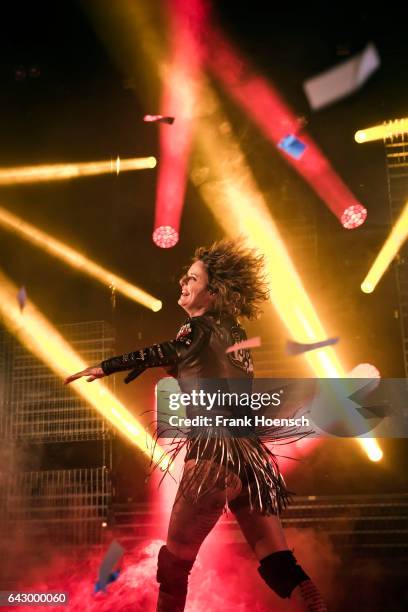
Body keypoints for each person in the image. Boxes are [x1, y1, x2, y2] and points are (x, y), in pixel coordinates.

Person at [65, 239, 327, 612]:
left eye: (191, 280)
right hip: (251, 464)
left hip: (212, 458)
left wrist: (105, 366)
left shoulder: (197, 329)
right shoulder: (234, 334)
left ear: (213, 292)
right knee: (280, 566)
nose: (183, 286)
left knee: (173, 566)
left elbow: (170, 351)